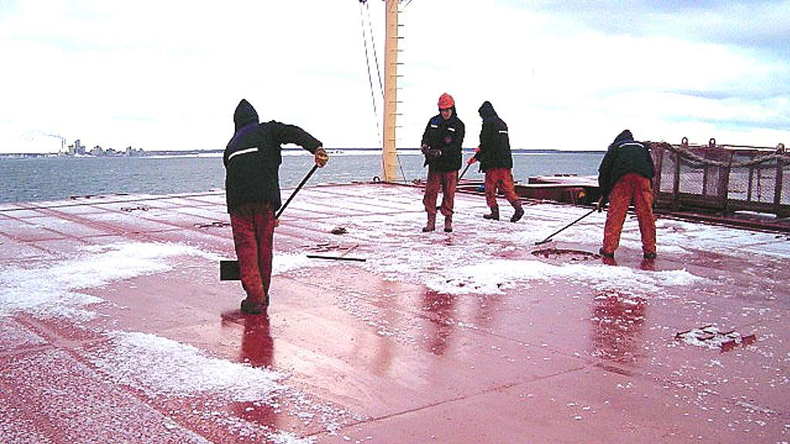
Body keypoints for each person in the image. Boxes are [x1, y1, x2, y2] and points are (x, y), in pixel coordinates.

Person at [223, 99, 329, 314]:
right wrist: (316, 147)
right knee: (264, 249)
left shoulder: (231, 145)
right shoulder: (267, 130)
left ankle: (255, 298)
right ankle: (261, 297)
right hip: (265, 200)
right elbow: (292, 132)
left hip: (237, 204)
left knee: (247, 250)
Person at [596, 129, 656, 260]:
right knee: (646, 215)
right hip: (643, 178)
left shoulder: (615, 147)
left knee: (616, 214)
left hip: (622, 179)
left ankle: (608, 249)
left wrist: (603, 195)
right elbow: (652, 170)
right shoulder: (642, 147)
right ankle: (650, 250)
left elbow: (604, 171)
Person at [468, 101, 524, 223]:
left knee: (490, 188)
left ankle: (494, 212)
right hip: (505, 162)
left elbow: (486, 144)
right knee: (507, 188)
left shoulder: (488, 124)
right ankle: (518, 207)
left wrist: (477, 157)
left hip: (493, 163)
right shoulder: (502, 123)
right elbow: (497, 142)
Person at [420, 92, 465, 232]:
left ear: (452, 109)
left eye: (447, 110)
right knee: (430, 193)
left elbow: (456, 145)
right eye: (442, 110)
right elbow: (426, 136)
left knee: (449, 194)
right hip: (435, 165)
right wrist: (425, 145)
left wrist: (441, 152)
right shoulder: (433, 121)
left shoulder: (458, 125)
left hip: (451, 166)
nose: (445, 113)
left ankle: (448, 220)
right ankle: (430, 220)